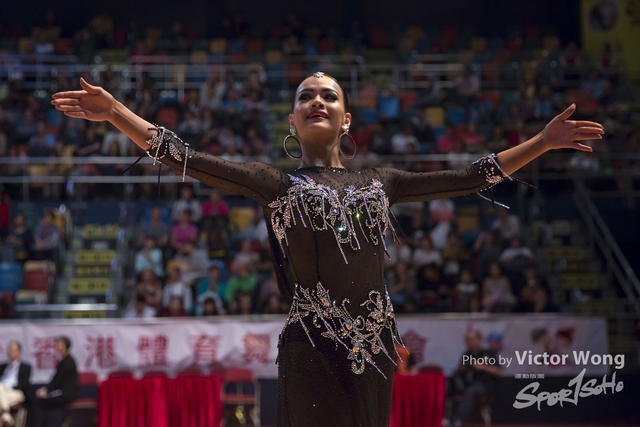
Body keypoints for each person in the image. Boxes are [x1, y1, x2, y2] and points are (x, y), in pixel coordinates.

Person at [52, 74, 603, 427]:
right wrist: (116, 112)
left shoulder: (383, 181)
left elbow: (472, 175)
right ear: (292, 122)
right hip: (311, 347)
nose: (317, 100)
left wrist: (543, 142)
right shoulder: (275, 183)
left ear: (346, 119)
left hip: (376, 347)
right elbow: (184, 157)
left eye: (329, 96)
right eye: (305, 97)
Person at [450, 330, 500, 427]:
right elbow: (460, 370)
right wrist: (462, 369)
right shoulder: (466, 354)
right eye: (468, 340)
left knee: (471, 391)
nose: (470, 342)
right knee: (450, 388)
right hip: (467, 383)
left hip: (484, 384)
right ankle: (446, 418)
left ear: (479, 340)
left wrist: (483, 367)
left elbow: (498, 372)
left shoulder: (487, 353)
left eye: (472, 340)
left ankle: (459, 420)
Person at [34, 336, 78, 427]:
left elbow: (58, 381)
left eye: (59, 344)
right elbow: (56, 380)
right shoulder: (63, 360)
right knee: (41, 400)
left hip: (66, 394)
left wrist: (46, 390)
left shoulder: (68, 361)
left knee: (42, 401)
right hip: (62, 392)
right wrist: (46, 389)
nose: (56, 346)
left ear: (65, 346)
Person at [0, 342, 31, 426]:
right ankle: (6, 415)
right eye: (9, 350)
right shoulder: (2, 367)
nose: (11, 353)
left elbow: (24, 384)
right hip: (3, 392)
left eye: (14, 350)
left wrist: (9, 387)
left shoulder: (26, 367)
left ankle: (5, 414)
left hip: (16, 392)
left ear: (19, 352)